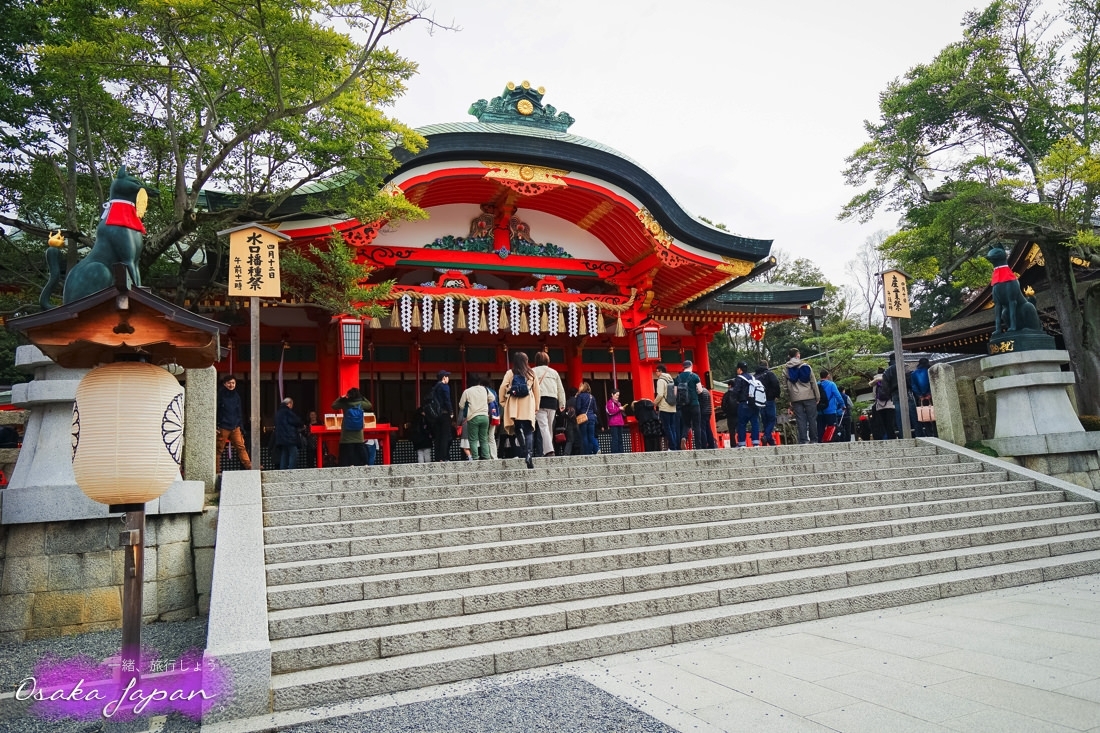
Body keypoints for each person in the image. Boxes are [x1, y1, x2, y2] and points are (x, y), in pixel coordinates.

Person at [500, 352, 540, 469]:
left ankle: (524, 451)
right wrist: (536, 406)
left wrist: (503, 402)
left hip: (514, 404)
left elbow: (502, 387)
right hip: (527, 404)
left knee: (517, 429)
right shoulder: (531, 373)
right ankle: (529, 454)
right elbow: (537, 391)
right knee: (528, 430)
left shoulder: (510, 373)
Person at [782, 348, 820, 444]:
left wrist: (789, 399)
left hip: (795, 398)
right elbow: (813, 383)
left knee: (800, 419)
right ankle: (814, 439)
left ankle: (803, 440)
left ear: (789, 356)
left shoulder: (786, 369)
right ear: (798, 355)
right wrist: (817, 396)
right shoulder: (806, 366)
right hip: (809, 396)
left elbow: (785, 386)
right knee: (812, 418)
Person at [533, 352, 567, 458]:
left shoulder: (532, 371)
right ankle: (547, 450)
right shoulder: (554, 372)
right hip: (552, 401)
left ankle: (549, 450)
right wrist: (562, 403)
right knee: (549, 426)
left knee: (543, 426)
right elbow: (560, 389)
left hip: (539, 400)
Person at [215, 374, 252, 472]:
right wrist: (216, 425)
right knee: (218, 449)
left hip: (235, 426)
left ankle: (249, 466)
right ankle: (216, 470)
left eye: (233, 383)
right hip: (223, 426)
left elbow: (239, 412)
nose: (231, 385)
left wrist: (241, 427)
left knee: (241, 447)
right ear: (224, 384)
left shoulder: (236, 396)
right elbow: (216, 411)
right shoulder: (220, 395)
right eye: (229, 383)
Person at [331, 387, 371, 466]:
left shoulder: (345, 403)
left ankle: (351, 465)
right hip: (358, 432)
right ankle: (366, 463)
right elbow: (369, 405)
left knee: (349, 450)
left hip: (347, 432)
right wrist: (362, 397)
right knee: (361, 448)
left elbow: (333, 406)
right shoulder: (361, 403)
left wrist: (340, 398)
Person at [727, 362, 760, 448]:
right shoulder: (753, 377)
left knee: (741, 423)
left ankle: (742, 443)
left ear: (739, 369)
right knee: (755, 422)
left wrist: (736, 400)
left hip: (744, 403)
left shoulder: (739, 378)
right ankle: (756, 442)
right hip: (754, 403)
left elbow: (736, 391)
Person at [458, 374, 491, 460]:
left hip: (473, 417)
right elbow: (492, 398)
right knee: (484, 438)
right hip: (485, 416)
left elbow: (461, 405)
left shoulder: (467, 391)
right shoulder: (485, 389)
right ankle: (486, 456)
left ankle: (475, 458)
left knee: (473, 439)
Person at [675, 360, 701, 449]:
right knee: (696, 425)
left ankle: (683, 437)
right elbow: (700, 390)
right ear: (691, 366)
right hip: (694, 403)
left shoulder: (678, 378)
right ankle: (698, 446)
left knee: (686, 424)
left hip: (684, 404)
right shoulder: (695, 376)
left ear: (683, 367)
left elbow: (675, 393)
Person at [653, 364, 680, 450]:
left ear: (660, 371)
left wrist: (654, 403)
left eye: (657, 371)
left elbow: (660, 394)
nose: (656, 373)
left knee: (667, 427)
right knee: (673, 427)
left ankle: (671, 446)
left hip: (665, 407)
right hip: (673, 407)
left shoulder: (661, 380)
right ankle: (675, 446)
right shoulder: (670, 379)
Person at [429, 370, 454, 462]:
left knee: (438, 436)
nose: (448, 378)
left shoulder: (434, 387)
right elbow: (447, 400)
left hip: (435, 415)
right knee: (445, 436)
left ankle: (438, 457)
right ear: (444, 378)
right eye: (447, 376)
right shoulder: (445, 386)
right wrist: (451, 412)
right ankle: (444, 457)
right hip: (444, 413)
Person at [755, 361, 781, 446]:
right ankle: (766, 436)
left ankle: (770, 441)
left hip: (759, 401)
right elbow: (776, 383)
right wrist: (777, 395)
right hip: (769, 399)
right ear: (767, 366)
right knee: (772, 419)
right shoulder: (769, 374)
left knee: (765, 420)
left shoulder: (755, 377)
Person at [274, 397, 303, 470]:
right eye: (292, 404)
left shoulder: (278, 413)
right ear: (289, 404)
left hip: (281, 438)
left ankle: (283, 470)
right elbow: (296, 421)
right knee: (294, 453)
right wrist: (302, 424)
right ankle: (291, 470)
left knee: (285, 454)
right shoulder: (287, 412)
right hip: (289, 437)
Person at [818, 369, 845, 442]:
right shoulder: (831, 384)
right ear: (828, 376)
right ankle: (832, 442)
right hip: (830, 410)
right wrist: (842, 405)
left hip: (820, 411)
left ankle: (820, 442)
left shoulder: (817, 384)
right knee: (832, 428)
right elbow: (838, 396)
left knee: (820, 429)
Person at [911, 357, 936, 437]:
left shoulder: (914, 374)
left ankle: (929, 434)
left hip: (921, 398)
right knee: (934, 414)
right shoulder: (930, 371)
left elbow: (913, 386)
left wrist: (920, 395)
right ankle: (936, 432)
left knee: (924, 415)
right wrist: (929, 393)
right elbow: (932, 382)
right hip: (931, 396)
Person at [869, 367, 896, 439]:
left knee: (884, 424)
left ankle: (886, 438)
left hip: (880, 407)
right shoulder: (888, 378)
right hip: (890, 404)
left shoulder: (875, 381)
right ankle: (892, 438)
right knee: (890, 424)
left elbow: (874, 394)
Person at [575, 381, 599, 455]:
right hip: (591, 417)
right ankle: (597, 448)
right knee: (591, 436)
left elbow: (578, 408)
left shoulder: (580, 396)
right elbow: (595, 409)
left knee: (584, 436)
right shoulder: (592, 397)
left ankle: (587, 453)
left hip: (583, 418)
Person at [697, 383, 717, 449]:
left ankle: (704, 444)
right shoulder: (706, 391)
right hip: (708, 412)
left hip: (702, 412)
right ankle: (711, 444)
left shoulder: (701, 392)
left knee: (702, 429)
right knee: (708, 429)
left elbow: (700, 403)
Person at [606, 389, 625, 453]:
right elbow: (610, 412)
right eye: (616, 395)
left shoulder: (619, 403)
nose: (617, 396)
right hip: (613, 423)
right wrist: (619, 408)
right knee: (615, 439)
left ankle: (621, 452)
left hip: (620, 422)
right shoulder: (609, 403)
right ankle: (615, 452)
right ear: (612, 394)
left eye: (618, 395)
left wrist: (622, 409)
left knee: (620, 439)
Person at [563, 387, 580, 456]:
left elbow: (563, 413)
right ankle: (578, 453)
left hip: (569, 422)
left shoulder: (567, 401)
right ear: (576, 393)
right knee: (578, 438)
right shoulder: (577, 400)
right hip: (577, 421)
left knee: (570, 440)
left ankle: (566, 453)